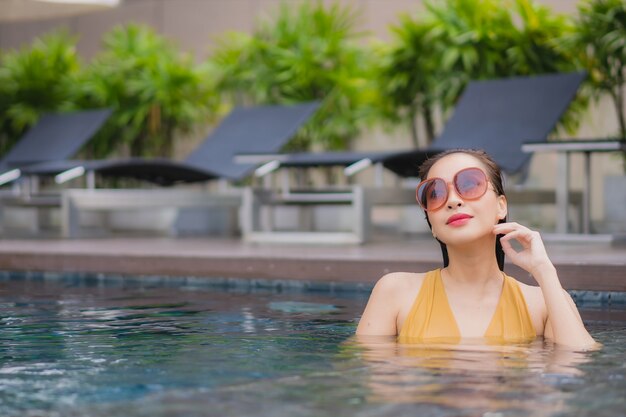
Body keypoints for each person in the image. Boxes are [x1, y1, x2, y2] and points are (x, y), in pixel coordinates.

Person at [356, 149, 596, 349]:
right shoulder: (395, 292)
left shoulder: (543, 302)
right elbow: (373, 385)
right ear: (432, 226)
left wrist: (544, 270)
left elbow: (576, 365)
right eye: (436, 193)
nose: (452, 200)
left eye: (470, 184)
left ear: (501, 206)